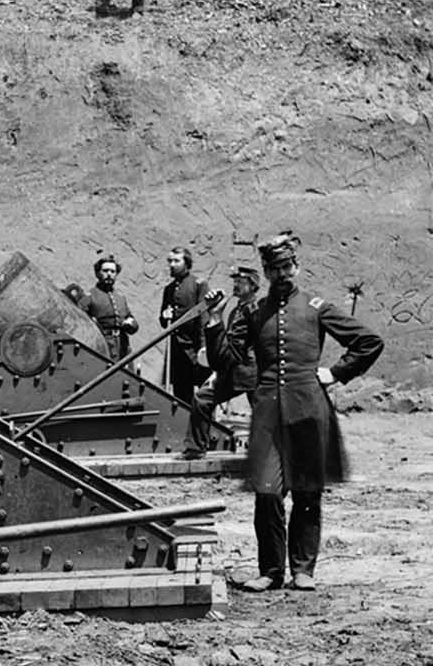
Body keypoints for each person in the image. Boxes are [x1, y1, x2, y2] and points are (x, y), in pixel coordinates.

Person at [205, 234, 383, 591]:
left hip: (309, 410)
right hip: (268, 413)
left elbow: (369, 342)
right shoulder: (253, 312)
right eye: (276, 268)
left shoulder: (316, 307)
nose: (283, 274)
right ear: (267, 273)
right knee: (267, 492)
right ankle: (270, 571)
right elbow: (226, 361)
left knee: (307, 492)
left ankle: (303, 569)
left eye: (288, 266)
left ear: (296, 267)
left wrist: (335, 372)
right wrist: (213, 321)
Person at [187, 264, 262, 456]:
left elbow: (245, 346)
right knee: (202, 399)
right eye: (235, 281)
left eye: (241, 282)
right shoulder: (237, 310)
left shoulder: (254, 310)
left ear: (253, 286)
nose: (236, 285)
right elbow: (228, 346)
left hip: (249, 372)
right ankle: (196, 449)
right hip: (235, 370)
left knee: (264, 413)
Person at [159, 246, 210, 429]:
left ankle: (205, 429)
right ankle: (184, 430)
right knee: (181, 393)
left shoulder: (198, 285)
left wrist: (204, 346)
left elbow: (204, 317)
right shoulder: (168, 289)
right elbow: (163, 321)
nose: (171, 265)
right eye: (169, 261)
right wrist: (164, 317)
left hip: (197, 348)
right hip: (177, 350)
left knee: (205, 393)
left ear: (186, 263)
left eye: (176, 261)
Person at [79, 252, 137, 359]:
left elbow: (132, 320)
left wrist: (130, 324)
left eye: (113, 271)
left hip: (122, 347)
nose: (109, 274)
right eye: (105, 271)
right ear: (97, 274)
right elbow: (80, 322)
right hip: (102, 346)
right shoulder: (90, 296)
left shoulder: (120, 298)